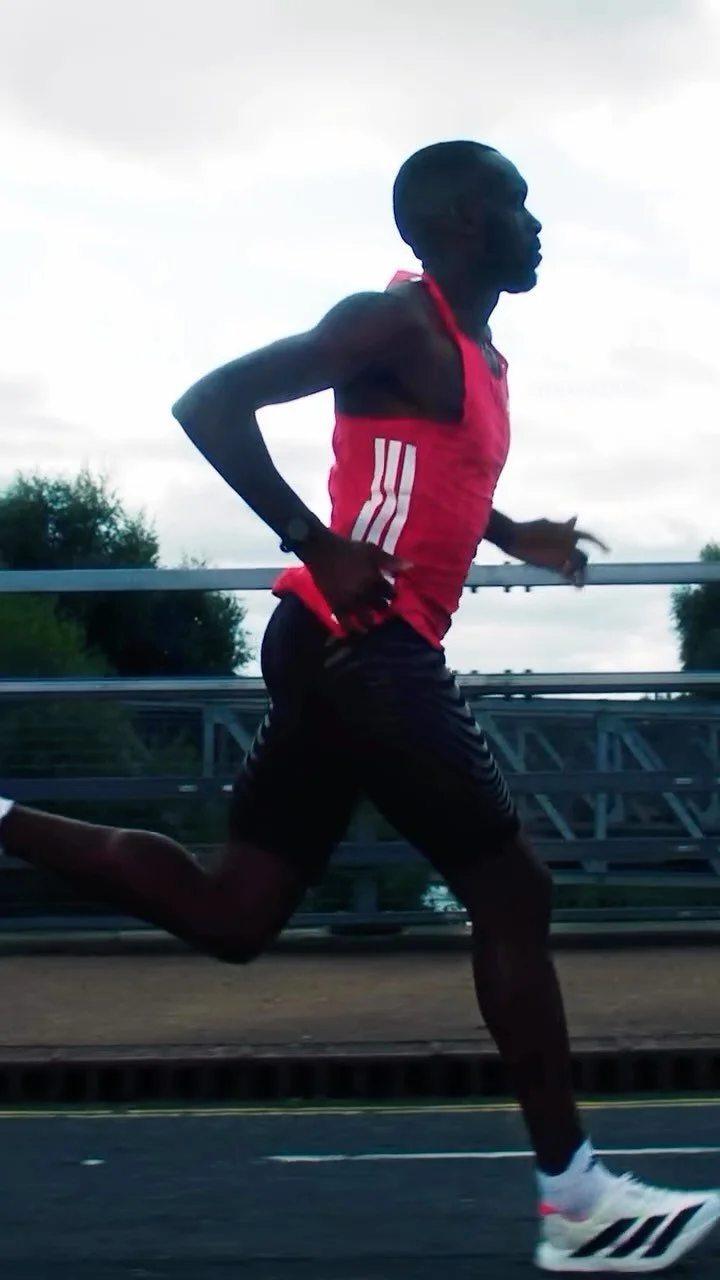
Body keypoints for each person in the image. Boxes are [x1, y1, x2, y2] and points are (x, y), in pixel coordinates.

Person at [0, 139, 717, 1272]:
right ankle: (578, 1201)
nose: (539, 226)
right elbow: (210, 402)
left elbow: (430, 470)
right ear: (465, 220)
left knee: (233, 913)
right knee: (513, 888)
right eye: (520, 205)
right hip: (363, 647)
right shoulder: (397, 325)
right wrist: (312, 539)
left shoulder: (475, 353)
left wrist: (509, 531)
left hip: (343, 650)